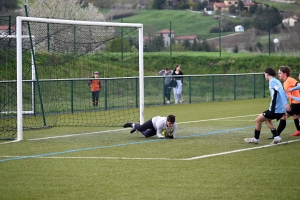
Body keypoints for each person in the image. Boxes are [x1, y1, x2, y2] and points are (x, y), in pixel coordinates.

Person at [244, 67, 290, 145]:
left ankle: (256, 139)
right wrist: (284, 109)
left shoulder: (272, 81)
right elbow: (284, 94)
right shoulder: (277, 81)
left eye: (264, 74)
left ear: (267, 74)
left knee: (257, 120)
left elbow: (282, 92)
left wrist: (285, 104)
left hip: (275, 109)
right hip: (280, 110)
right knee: (267, 120)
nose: (264, 75)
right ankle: (276, 137)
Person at [269, 66, 300, 139]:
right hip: (295, 103)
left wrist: (293, 89)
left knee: (283, 116)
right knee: (296, 115)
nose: (278, 74)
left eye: (280, 73)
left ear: (285, 73)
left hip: (296, 103)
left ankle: (276, 134)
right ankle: (299, 130)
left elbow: (299, 85)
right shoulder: (285, 82)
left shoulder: (289, 80)